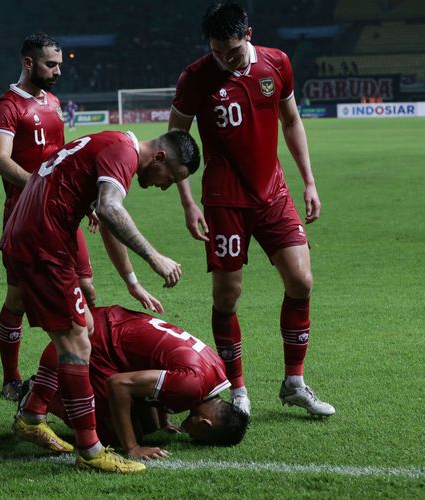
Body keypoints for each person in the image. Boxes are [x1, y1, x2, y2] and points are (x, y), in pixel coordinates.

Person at [0, 128, 201, 473]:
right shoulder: (123, 153)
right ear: (160, 157)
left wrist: (132, 282)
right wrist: (154, 257)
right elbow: (109, 209)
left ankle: (32, 416)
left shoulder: (111, 143)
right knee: (77, 342)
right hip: (43, 244)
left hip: (30, 235)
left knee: (85, 329)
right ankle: (91, 451)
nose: (166, 185)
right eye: (172, 177)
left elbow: (108, 220)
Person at [168, 1, 334, 417]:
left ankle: (294, 381)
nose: (225, 59)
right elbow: (175, 144)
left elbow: (291, 120)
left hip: (273, 193)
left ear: (249, 35)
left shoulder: (277, 64)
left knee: (301, 280)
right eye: (217, 51)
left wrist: (309, 181)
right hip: (225, 200)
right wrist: (188, 202)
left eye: (232, 51)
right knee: (228, 296)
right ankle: (237, 388)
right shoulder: (196, 76)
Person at [0, 33, 96, 400]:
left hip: (64, 214)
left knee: (87, 289)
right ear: (28, 63)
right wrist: (41, 187)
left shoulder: (52, 101)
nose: (57, 71)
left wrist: (86, 199)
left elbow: (63, 156)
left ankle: (92, 368)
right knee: (17, 300)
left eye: (60, 65)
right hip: (26, 219)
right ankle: (10, 379)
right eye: (51, 65)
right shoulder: (7, 106)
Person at [15, 305, 250, 460]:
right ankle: (39, 395)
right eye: (196, 436)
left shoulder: (217, 373)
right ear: (205, 423)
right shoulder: (192, 385)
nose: (190, 435)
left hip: (115, 328)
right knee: (112, 435)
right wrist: (132, 448)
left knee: (146, 427)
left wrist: (163, 420)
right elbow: (119, 385)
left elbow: (159, 365)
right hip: (101, 341)